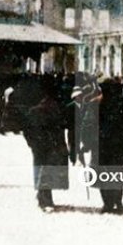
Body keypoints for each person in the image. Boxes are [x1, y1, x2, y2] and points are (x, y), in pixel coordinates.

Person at [21, 75, 70, 212]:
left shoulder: (35, 110)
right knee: (46, 170)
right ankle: (44, 199)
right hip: (49, 145)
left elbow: (26, 129)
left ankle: (44, 197)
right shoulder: (55, 110)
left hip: (41, 145)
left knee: (42, 170)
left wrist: (31, 143)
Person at [94, 79, 123, 214]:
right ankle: (117, 202)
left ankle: (107, 203)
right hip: (119, 145)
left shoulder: (97, 102)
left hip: (103, 144)